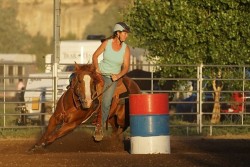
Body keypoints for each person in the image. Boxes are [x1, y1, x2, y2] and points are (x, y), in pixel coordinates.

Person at [92, 22, 131, 141]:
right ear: (117, 33)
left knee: (106, 101)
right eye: (124, 33)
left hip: (112, 77)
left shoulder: (125, 49)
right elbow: (95, 56)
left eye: (126, 34)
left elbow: (126, 67)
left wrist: (118, 75)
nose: (126, 36)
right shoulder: (106, 43)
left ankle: (99, 127)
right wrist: (96, 68)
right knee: (81, 80)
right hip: (99, 74)